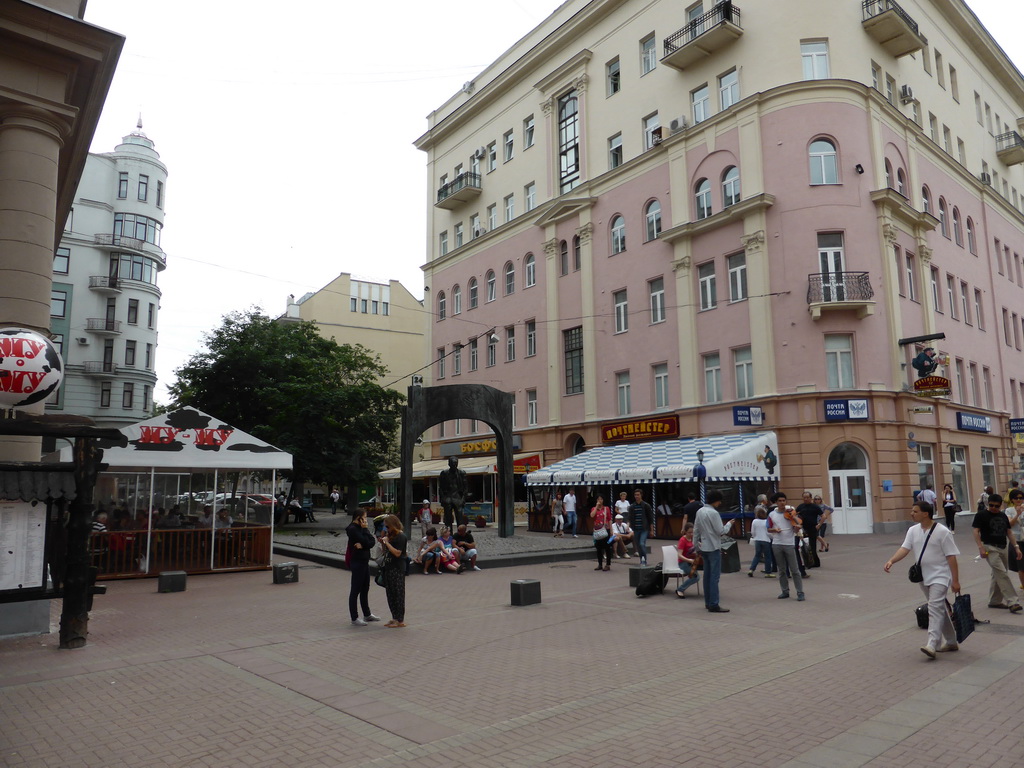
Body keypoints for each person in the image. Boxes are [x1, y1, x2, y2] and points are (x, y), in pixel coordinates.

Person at [884, 501, 960, 658]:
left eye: (915, 511)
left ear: (925, 513)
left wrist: (955, 581)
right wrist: (892, 560)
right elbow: (905, 548)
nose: (912, 513)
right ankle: (952, 641)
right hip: (922, 576)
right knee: (938, 607)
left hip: (940, 575)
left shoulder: (942, 531)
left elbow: (951, 557)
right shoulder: (913, 530)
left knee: (934, 607)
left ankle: (932, 644)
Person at [972, 493, 1023, 613]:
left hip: (1003, 547)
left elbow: (1009, 532)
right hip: (989, 547)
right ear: (987, 504)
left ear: (1000, 506)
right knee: (1002, 574)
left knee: (998, 574)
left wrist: (1016, 547)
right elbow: (975, 531)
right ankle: (1013, 601)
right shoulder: (981, 515)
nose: (994, 508)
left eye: (996, 506)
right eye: (991, 505)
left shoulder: (1003, 515)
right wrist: (980, 548)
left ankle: (994, 601)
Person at [693, 489, 733, 613]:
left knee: (707, 575)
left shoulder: (700, 511)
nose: (720, 503)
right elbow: (720, 531)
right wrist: (729, 524)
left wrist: (696, 546)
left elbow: (696, 530)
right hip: (714, 547)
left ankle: (708, 602)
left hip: (703, 546)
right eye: (719, 501)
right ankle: (714, 603)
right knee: (714, 577)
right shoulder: (714, 513)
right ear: (716, 501)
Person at [768, 492, 805, 602]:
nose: (782, 503)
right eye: (780, 501)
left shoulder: (790, 512)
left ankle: (800, 592)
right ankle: (785, 591)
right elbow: (768, 528)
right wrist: (774, 530)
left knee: (795, 570)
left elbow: (798, 524)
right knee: (782, 570)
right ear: (776, 502)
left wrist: (795, 522)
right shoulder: (772, 515)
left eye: (784, 500)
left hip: (789, 543)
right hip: (777, 543)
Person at [346, 511, 381, 626]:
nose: (366, 520)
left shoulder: (362, 528)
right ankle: (354, 617)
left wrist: (364, 540)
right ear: (358, 518)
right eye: (364, 517)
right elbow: (366, 540)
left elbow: (371, 541)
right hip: (357, 562)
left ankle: (367, 614)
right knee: (355, 589)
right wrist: (365, 531)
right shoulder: (352, 529)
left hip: (365, 561)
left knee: (365, 588)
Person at [378, 514, 408, 627]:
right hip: (389, 567)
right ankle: (394, 617)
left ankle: (400, 619)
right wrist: (383, 542)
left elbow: (397, 553)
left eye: (388, 527)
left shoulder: (401, 536)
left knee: (398, 593)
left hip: (397, 568)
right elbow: (387, 551)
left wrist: (387, 543)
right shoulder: (391, 535)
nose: (387, 529)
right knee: (390, 594)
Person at [438, 456, 468, 529]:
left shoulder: (461, 473)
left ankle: (460, 536)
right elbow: (441, 487)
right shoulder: (444, 473)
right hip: (447, 498)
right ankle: (448, 536)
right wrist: (442, 499)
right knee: (447, 520)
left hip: (458, 499)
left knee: (460, 520)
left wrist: (463, 500)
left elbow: (465, 488)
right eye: (452, 463)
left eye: (456, 463)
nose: (454, 465)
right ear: (449, 464)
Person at [628, 488, 655, 565]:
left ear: (641, 495)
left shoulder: (646, 505)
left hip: (644, 529)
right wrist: (628, 525)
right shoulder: (632, 506)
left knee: (642, 543)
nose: (636, 496)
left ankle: (644, 559)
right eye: (635, 495)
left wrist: (652, 530)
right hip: (636, 529)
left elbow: (650, 519)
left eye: (638, 495)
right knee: (638, 546)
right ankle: (641, 559)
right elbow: (630, 518)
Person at [796, 492, 822, 568]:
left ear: (811, 498)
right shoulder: (801, 506)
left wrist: (819, 524)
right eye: (804, 497)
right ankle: (807, 562)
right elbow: (795, 514)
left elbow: (823, 516)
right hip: (803, 528)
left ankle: (816, 562)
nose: (806, 499)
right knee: (804, 546)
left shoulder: (815, 507)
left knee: (812, 546)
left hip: (812, 528)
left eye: (807, 497)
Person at [675, 523, 701, 598]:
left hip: (691, 561)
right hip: (683, 563)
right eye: (689, 532)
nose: (691, 534)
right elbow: (679, 555)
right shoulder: (683, 540)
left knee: (696, 575)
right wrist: (689, 560)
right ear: (685, 532)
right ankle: (680, 589)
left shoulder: (693, 539)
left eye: (693, 532)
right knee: (695, 577)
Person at [747, 507, 775, 577]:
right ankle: (768, 572)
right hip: (766, 540)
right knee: (767, 556)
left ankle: (751, 569)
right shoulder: (766, 521)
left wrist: (755, 537)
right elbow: (769, 533)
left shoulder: (754, 521)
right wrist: (772, 538)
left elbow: (753, 532)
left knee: (757, 555)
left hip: (757, 540)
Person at [590, 495, 613, 571]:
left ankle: (608, 564)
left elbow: (609, 519)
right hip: (597, 530)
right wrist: (596, 507)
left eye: (601, 499)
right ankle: (600, 564)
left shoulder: (606, 508)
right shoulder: (594, 508)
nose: (600, 500)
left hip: (605, 529)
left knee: (607, 547)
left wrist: (611, 530)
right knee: (598, 547)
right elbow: (592, 515)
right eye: (598, 499)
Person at [1008, 490, 1024, 592]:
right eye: (1016, 498)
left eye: (1020, 498)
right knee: (1021, 566)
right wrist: (1017, 514)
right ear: (1012, 500)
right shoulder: (1009, 510)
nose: (1018, 500)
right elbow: (1010, 524)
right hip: (1017, 541)